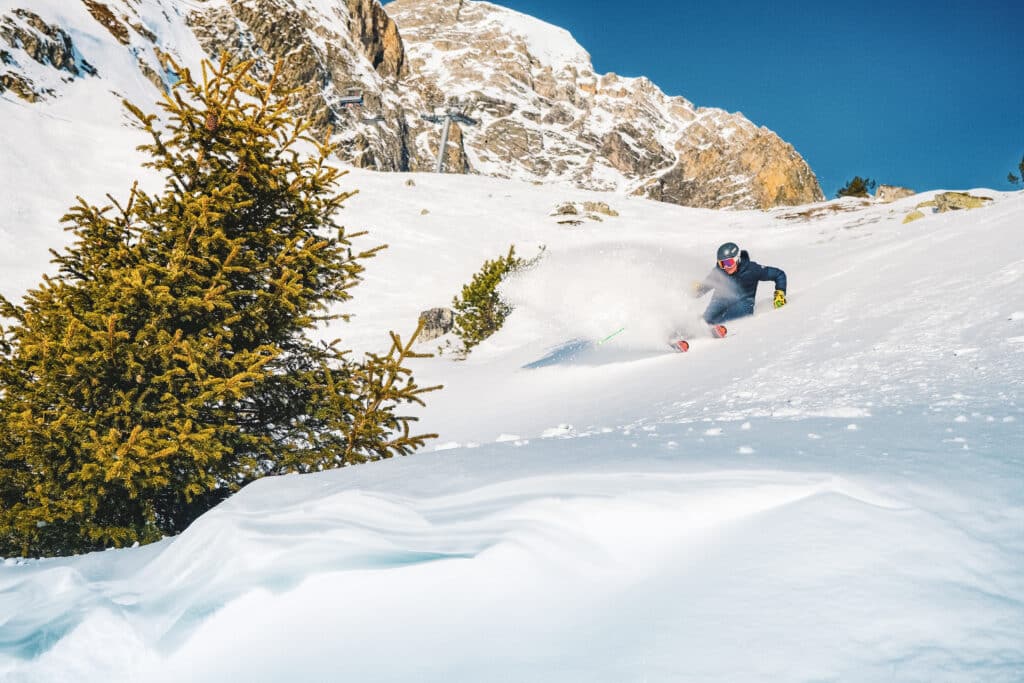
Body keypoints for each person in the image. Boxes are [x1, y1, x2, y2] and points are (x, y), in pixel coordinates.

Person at [693, 242, 787, 336]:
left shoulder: (752, 269)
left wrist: (780, 293)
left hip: (744, 301)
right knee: (707, 318)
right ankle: (697, 326)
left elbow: (779, 274)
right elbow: (708, 285)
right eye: (722, 264)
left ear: (737, 259)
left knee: (742, 312)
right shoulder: (719, 271)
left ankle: (715, 328)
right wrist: (697, 291)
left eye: (729, 263)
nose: (726, 267)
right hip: (722, 297)